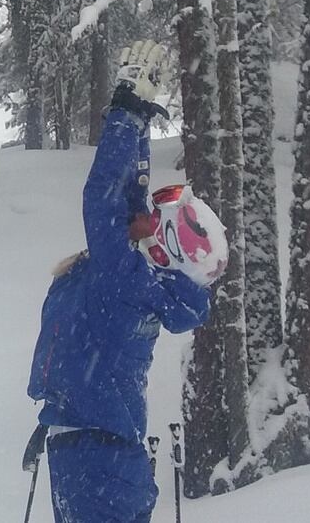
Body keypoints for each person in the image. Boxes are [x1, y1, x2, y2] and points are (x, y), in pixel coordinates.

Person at [26, 41, 228, 523]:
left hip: (97, 466)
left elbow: (104, 197)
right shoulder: (142, 282)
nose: (146, 213)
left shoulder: (129, 280)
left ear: (164, 251)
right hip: (101, 457)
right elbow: (127, 199)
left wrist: (124, 111)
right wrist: (139, 121)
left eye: (161, 218)